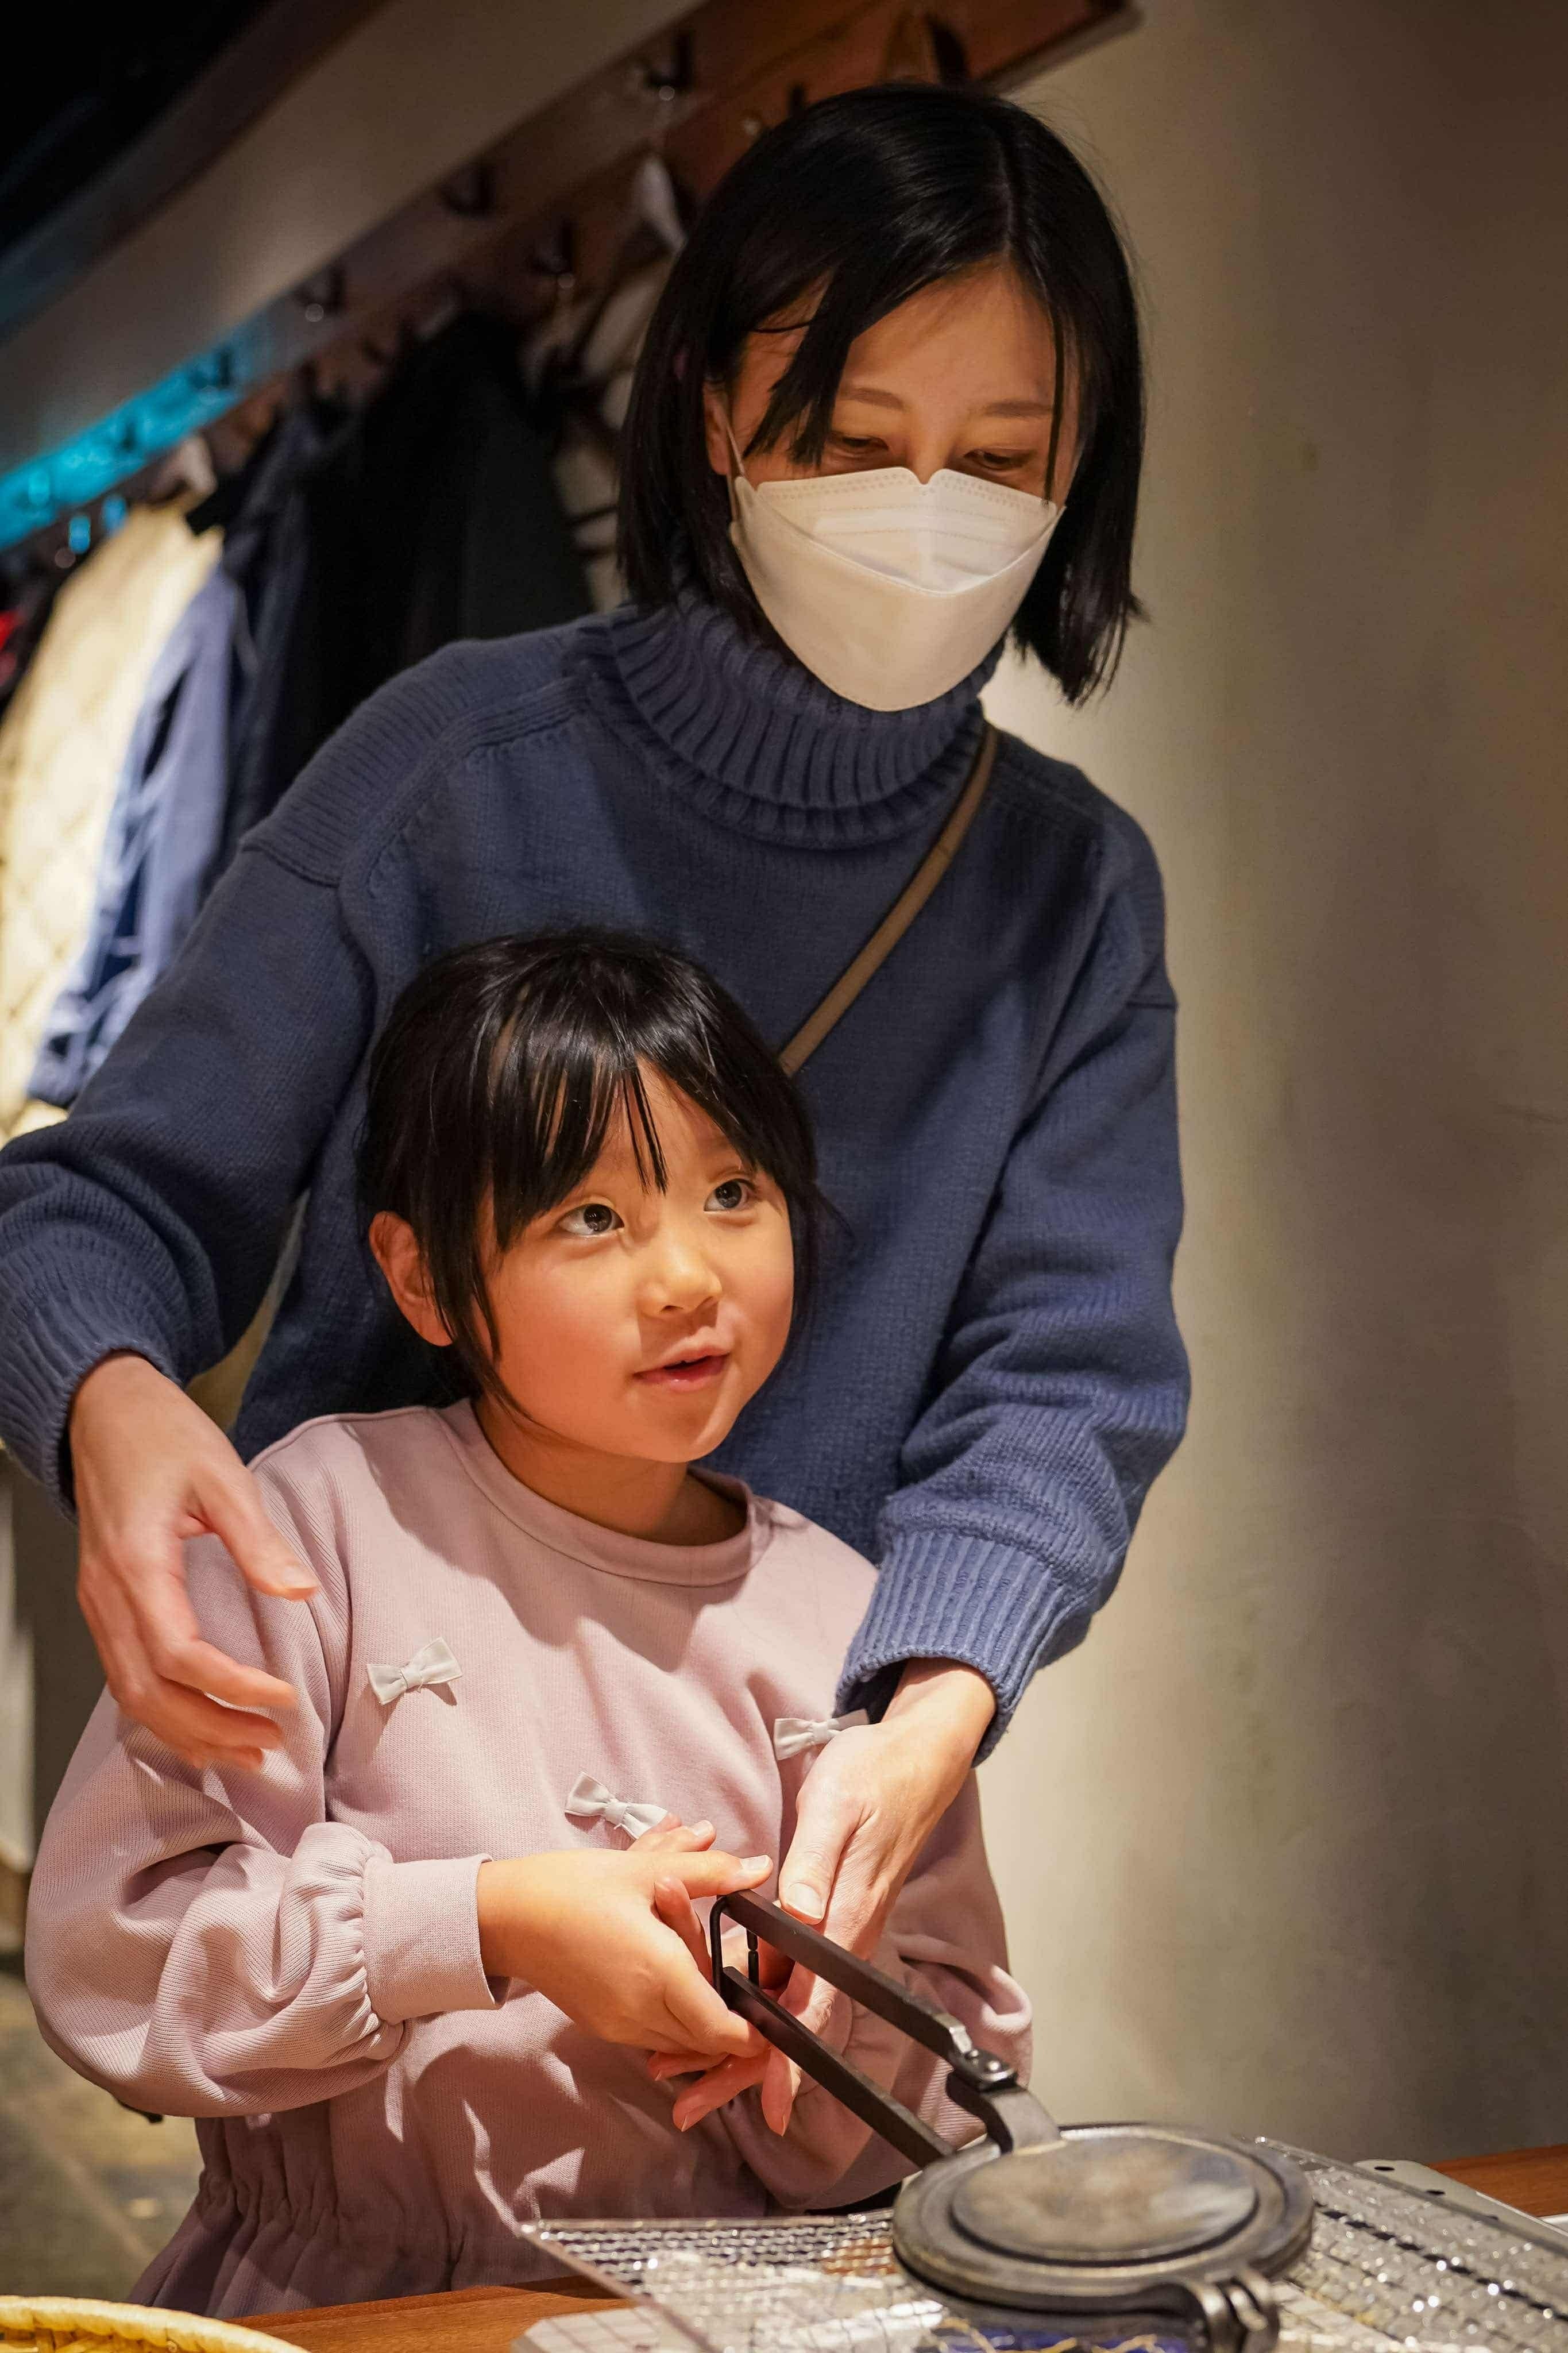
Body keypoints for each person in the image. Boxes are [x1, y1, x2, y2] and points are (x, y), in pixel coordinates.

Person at [0, 83, 1187, 2061]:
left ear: (1083, 466)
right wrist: (112, 1412)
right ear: (713, 408)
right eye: (851, 438)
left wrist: (932, 1705)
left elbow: (1069, 1367)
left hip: (769, 1826)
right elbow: (101, 1194)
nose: (925, 506)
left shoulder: (1067, 890)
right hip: (392, 1846)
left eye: (999, 458)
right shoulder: (457, 763)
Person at [24, 932, 1031, 2315]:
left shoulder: (850, 1618)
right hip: (337, 2308)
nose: (688, 1275)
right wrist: (488, 1920)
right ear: (424, 1277)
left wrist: (805, 2021)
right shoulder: (314, 1526)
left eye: (732, 1190)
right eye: (594, 1216)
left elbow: (957, 2079)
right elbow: (118, 1956)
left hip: (701, 2315)